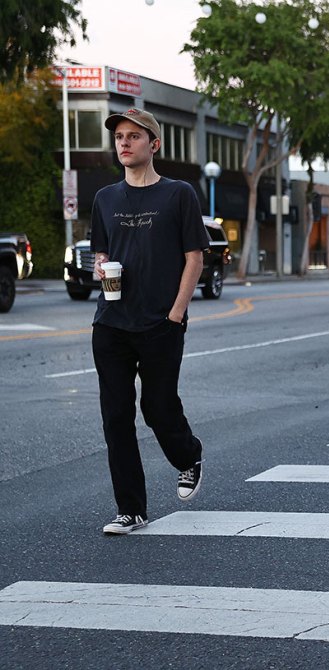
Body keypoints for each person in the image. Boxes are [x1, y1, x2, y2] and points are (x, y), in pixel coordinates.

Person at [91, 108, 209, 535]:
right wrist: (101, 269)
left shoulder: (179, 194)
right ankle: (131, 509)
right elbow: (101, 254)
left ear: (153, 144)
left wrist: (176, 314)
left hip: (161, 322)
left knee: (157, 408)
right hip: (111, 323)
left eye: (133, 136)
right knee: (115, 416)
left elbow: (194, 258)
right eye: (119, 137)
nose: (124, 142)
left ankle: (188, 456)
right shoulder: (105, 198)